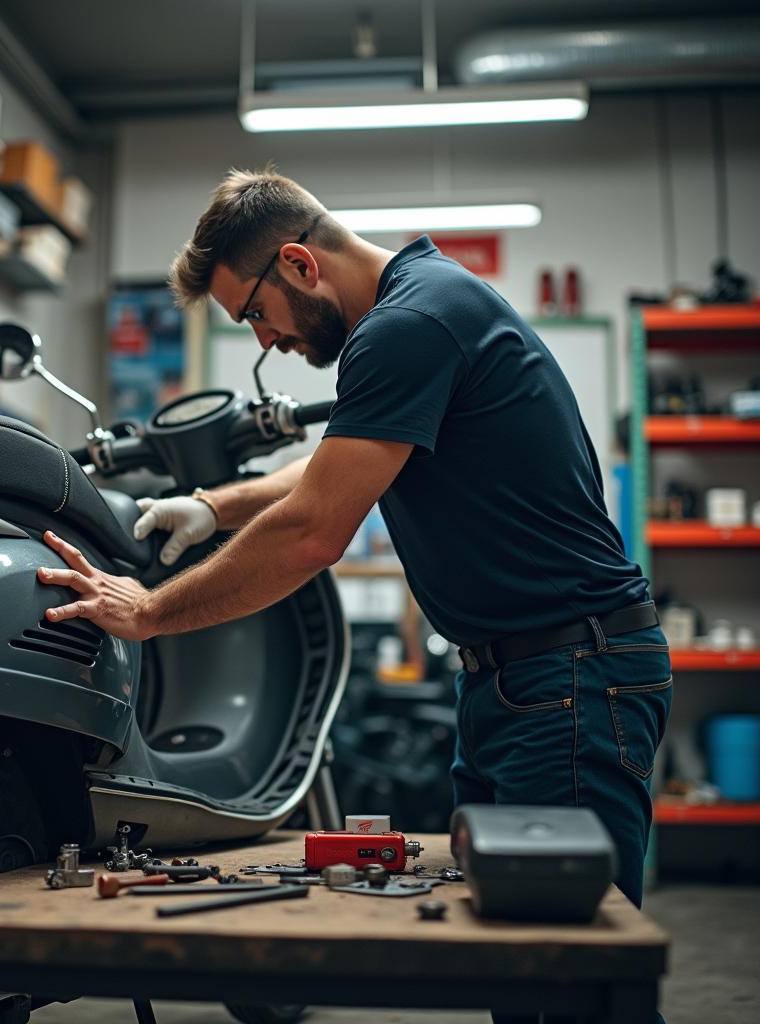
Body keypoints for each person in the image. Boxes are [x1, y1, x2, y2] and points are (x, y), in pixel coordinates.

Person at [37, 167, 672, 916]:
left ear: (300, 264)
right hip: (520, 680)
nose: (267, 341)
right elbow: (339, 463)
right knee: (523, 965)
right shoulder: (424, 304)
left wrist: (148, 611)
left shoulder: (407, 326)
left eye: (257, 314)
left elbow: (312, 531)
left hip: (568, 679)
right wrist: (213, 506)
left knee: (574, 979)